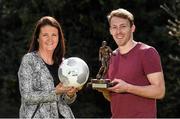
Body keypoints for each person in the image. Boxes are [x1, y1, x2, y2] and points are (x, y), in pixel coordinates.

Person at [97, 8, 165, 118]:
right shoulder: (111, 57)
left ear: (132, 28)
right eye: (114, 27)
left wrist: (128, 87)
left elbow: (159, 91)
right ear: (110, 30)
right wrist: (104, 89)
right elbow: (113, 96)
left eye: (123, 26)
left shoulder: (147, 52)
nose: (118, 31)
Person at [18, 16, 78, 118]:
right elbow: (27, 96)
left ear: (59, 38)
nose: (50, 39)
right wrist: (55, 91)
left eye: (54, 35)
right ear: (38, 38)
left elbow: (65, 101)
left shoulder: (63, 63)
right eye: (45, 35)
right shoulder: (29, 60)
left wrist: (70, 94)